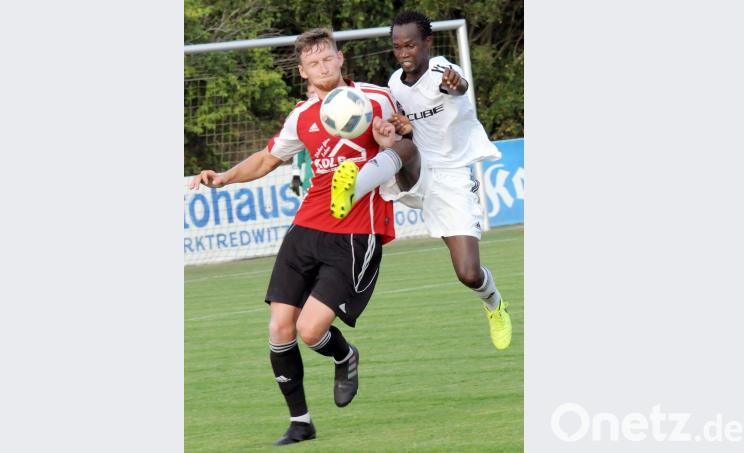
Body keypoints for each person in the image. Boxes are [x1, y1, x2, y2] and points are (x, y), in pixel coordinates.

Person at [190, 28, 414, 446]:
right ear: (302, 72)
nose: (323, 67)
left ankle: (344, 354)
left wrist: (399, 135)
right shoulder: (302, 115)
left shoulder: (377, 98)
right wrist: (224, 177)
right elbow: (268, 158)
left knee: (311, 331)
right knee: (280, 327)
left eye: (328, 58)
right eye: (314, 63)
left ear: (340, 58)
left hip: (355, 232)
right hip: (307, 227)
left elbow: (409, 143)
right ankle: (301, 423)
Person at [330, 10, 512, 350]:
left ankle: (495, 304)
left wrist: (455, 86)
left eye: (411, 45)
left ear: (428, 43)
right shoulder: (395, 84)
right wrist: (403, 128)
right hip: (416, 171)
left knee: (468, 273)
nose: (404, 53)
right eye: (397, 47)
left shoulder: (445, 71)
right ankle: (351, 190)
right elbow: (408, 130)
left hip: (452, 178)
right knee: (400, 147)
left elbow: (458, 86)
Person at [290, 84, 317, 197]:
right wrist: (296, 175)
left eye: (317, 91)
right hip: (311, 181)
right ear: (306, 94)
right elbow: (298, 148)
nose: (315, 95)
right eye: (312, 93)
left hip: (337, 178)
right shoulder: (302, 117)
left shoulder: (336, 112)